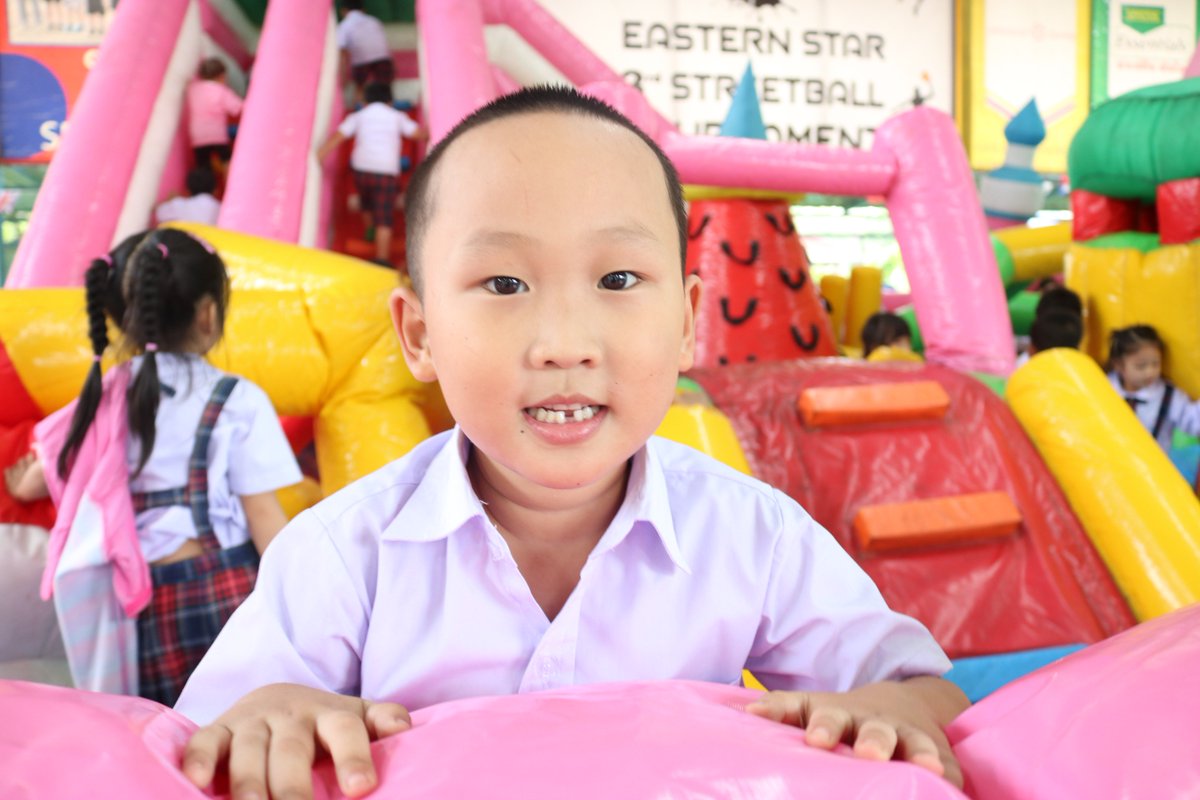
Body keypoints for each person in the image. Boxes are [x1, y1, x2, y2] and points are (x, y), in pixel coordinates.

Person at [177, 86, 969, 799]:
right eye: (504, 283)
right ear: (418, 334)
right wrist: (273, 711)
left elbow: (928, 698)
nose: (564, 344)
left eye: (618, 280)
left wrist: (892, 706)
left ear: (687, 321)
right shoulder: (345, 554)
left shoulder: (755, 537)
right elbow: (215, 736)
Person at [3, 228, 301, 706]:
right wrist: (304, 599)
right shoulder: (236, 399)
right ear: (208, 314)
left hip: (140, 605)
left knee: (163, 728)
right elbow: (265, 518)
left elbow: (55, 465)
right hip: (226, 591)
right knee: (236, 722)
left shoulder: (108, 392)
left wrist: (26, 486)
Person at [317, 82, 425, 267]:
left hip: (361, 170)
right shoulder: (396, 116)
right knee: (384, 215)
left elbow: (339, 136)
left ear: (365, 101)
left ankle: (370, 229)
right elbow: (418, 134)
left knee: (366, 201)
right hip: (386, 171)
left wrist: (320, 155)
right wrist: (427, 131)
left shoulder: (359, 116)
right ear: (390, 101)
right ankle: (382, 258)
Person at [1107, 324, 1200, 452]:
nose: (1150, 372)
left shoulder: (1169, 395)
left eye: (1156, 364)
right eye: (1141, 366)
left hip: (1150, 463)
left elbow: (1193, 422)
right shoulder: (1104, 387)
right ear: (1118, 365)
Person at [187, 57, 243, 172]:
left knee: (203, 166)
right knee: (226, 160)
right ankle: (229, 181)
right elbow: (237, 108)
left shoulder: (193, 89)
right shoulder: (221, 90)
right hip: (217, 135)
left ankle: (207, 181)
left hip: (198, 137)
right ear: (221, 76)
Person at [336, 0, 393, 102]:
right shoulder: (374, 21)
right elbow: (384, 45)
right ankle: (389, 105)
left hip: (360, 60)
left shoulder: (344, 25)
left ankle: (358, 105)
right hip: (383, 57)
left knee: (360, 87)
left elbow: (342, 52)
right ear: (363, 10)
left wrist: (343, 77)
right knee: (386, 88)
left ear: (343, 11)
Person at [155, 167, 222, 226]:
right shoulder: (221, 209)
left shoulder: (178, 205)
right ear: (215, 191)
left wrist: (170, 200)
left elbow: (159, 213)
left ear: (188, 191)